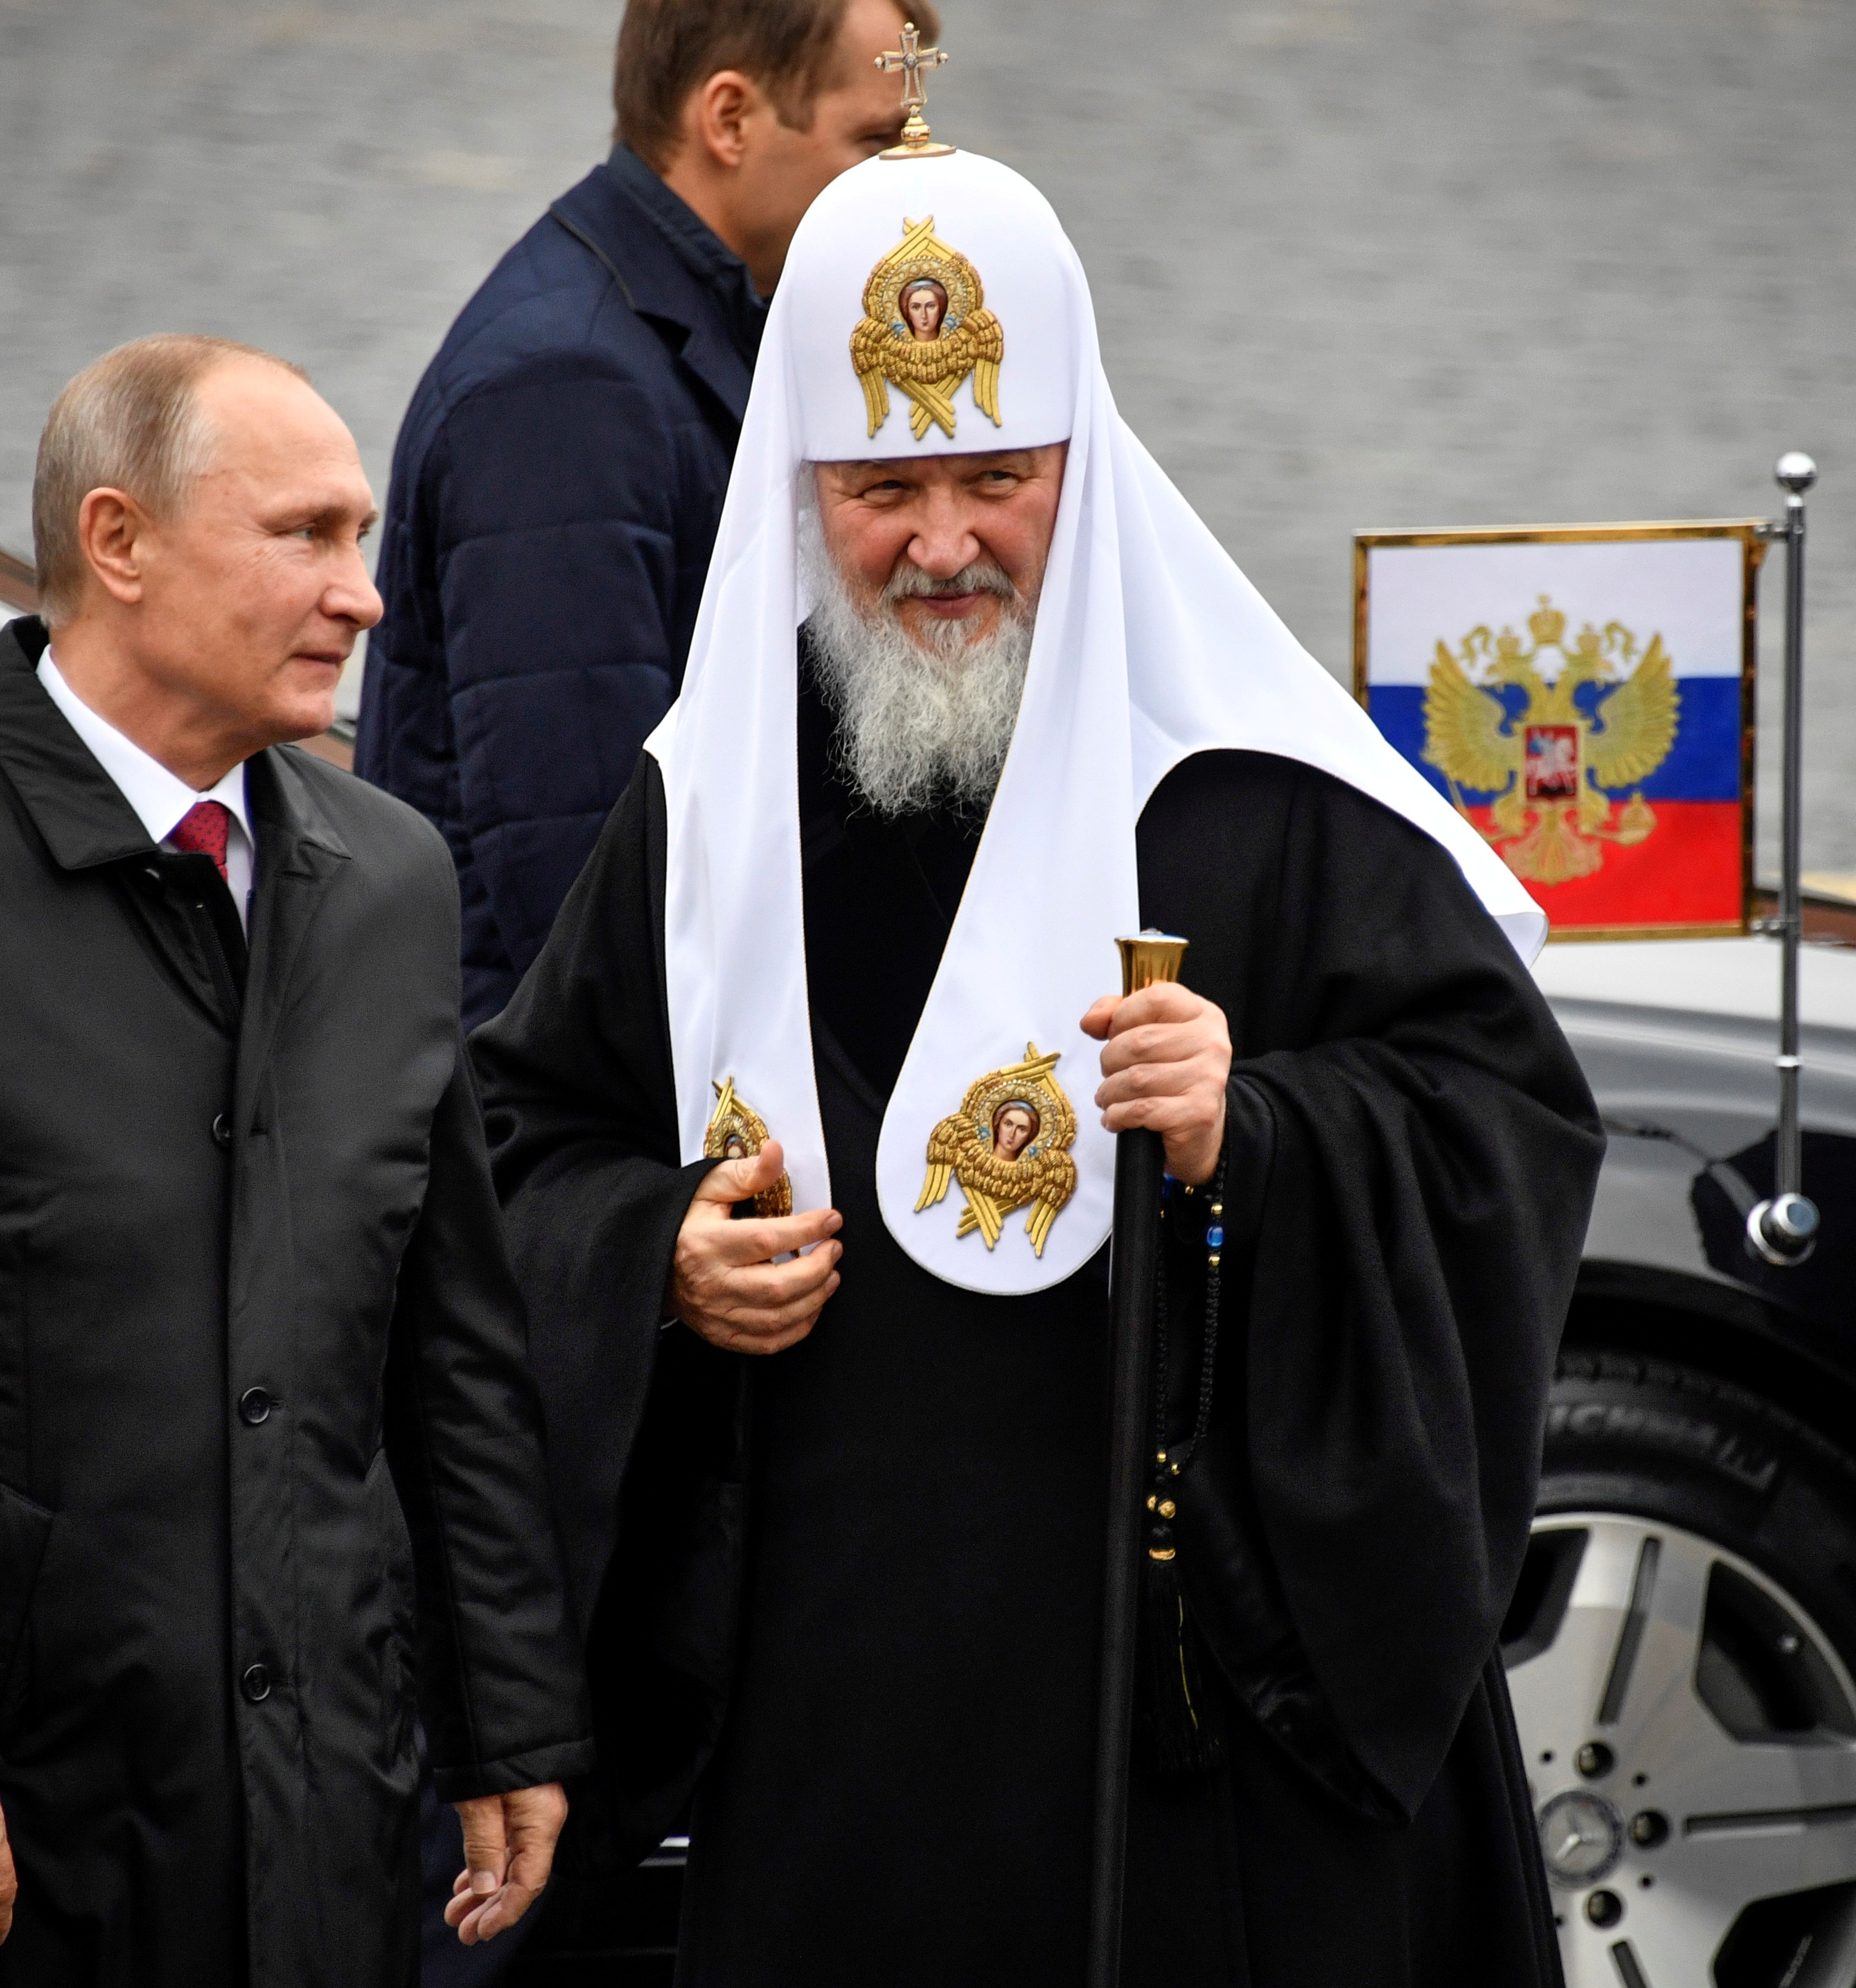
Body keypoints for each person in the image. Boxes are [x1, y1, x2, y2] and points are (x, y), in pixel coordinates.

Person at [470, 142, 1604, 1983]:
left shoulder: (1256, 796)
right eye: (882, 485)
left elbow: (1503, 1124)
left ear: (1081, 463)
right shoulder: (703, 813)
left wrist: (1261, 1125)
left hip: (1183, 1696)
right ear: (795, 482)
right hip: (838, 1704)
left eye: (995, 476)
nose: (939, 542)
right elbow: (519, 1146)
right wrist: (657, 1252)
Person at [0, 335, 588, 1985]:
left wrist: (509, 1707)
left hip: (308, 1832)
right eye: (305, 536)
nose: (361, 597)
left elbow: (453, 1348)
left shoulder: (392, 880)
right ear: (119, 544)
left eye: (362, 539)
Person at [358, 0, 936, 1030]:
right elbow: (582, 870)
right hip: (544, 1133)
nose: (912, 186)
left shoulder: (699, 327)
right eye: (875, 142)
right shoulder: (565, 388)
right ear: (729, 118)